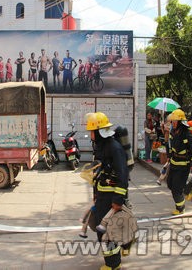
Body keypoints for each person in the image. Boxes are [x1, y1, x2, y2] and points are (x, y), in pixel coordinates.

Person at [85, 112, 129, 270]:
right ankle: (124, 246)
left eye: (91, 131)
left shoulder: (114, 148)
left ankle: (113, 264)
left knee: (106, 232)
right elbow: (99, 172)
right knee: (102, 229)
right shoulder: (100, 146)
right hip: (103, 196)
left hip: (112, 198)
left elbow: (123, 174)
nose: (90, 134)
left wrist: (118, 199)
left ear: (98, 132)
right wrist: (96, 195)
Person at [167, 109, 192, 215]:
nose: (172, 122)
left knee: (176, 190)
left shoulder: (187, 134)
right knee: (170, 184)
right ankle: (187, 186)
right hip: (173, 163)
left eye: (174, 120)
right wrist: (169, 156)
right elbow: (171, 146)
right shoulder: (173, 131)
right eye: (172, 120)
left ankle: (180, 208)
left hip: (183, 166)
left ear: (180, 122)